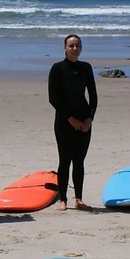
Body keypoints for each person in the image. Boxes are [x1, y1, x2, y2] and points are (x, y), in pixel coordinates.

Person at [48, 34, 98, 210]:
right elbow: (53, 98)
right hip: (64, 121)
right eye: (71, 46)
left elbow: (93, 95)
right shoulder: (57, 68)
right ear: (64, 48)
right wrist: (70, 118)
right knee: (65, 160)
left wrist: (90, 118)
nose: (75, 49)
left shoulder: (86, 67)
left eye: (77, 46)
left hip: (85, 120)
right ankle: (63, 200)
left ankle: (79, 199)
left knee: (79, 161)